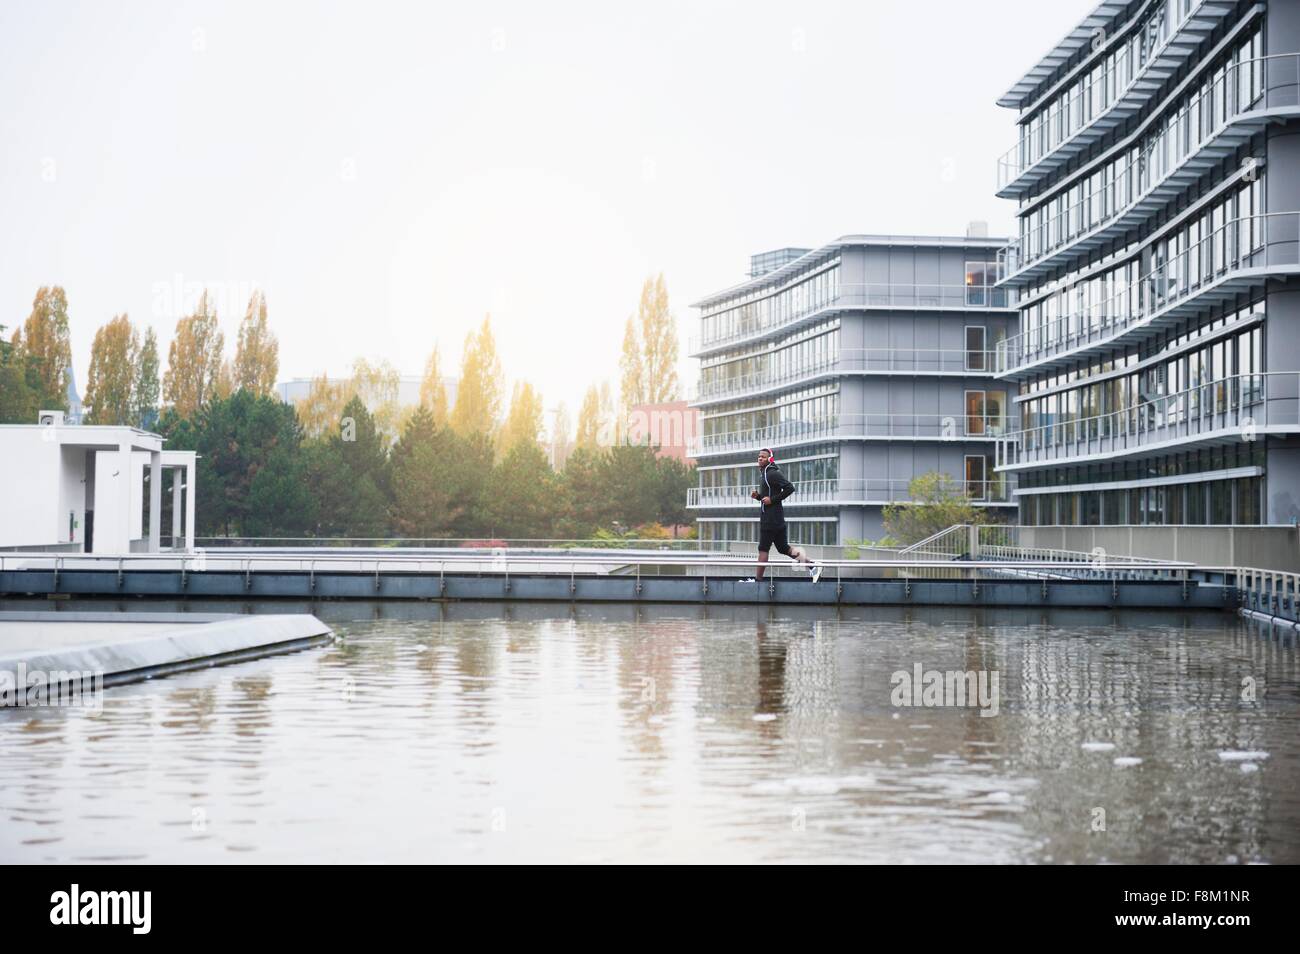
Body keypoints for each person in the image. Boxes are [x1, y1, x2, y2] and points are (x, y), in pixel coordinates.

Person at [745, 448, 821, 583]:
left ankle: (758, 581)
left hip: (770, 519)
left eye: (763, 457)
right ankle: (812, 565)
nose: (760, 458)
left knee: (763, 548)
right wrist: (759, 497)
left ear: (770, 459)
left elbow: (790, 488)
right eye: (759, 457)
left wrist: (771, 500)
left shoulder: (772, 473)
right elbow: (768, 498)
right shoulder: (765, 474)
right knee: (783, 548)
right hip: (777, 518)